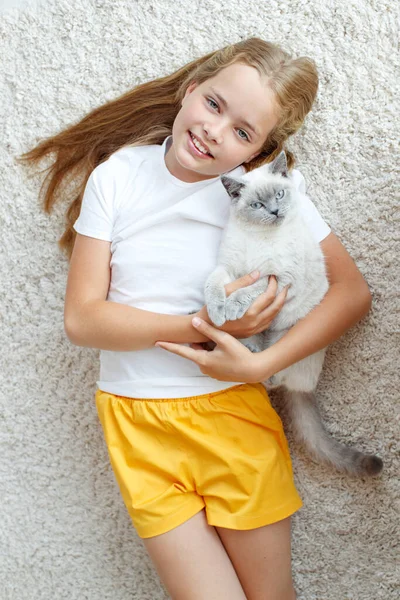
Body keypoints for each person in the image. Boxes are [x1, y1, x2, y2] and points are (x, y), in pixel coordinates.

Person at [17, 38, 372, 600]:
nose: (215, 130)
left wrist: (264, 366)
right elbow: (83, 321)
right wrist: (206, 327)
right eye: (214, 105)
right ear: (190, 91)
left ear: (257, 154)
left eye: (243, 132)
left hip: (232, 417)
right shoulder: (119, 176)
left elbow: (351, 293)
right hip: (136, 427)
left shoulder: (266, 193)